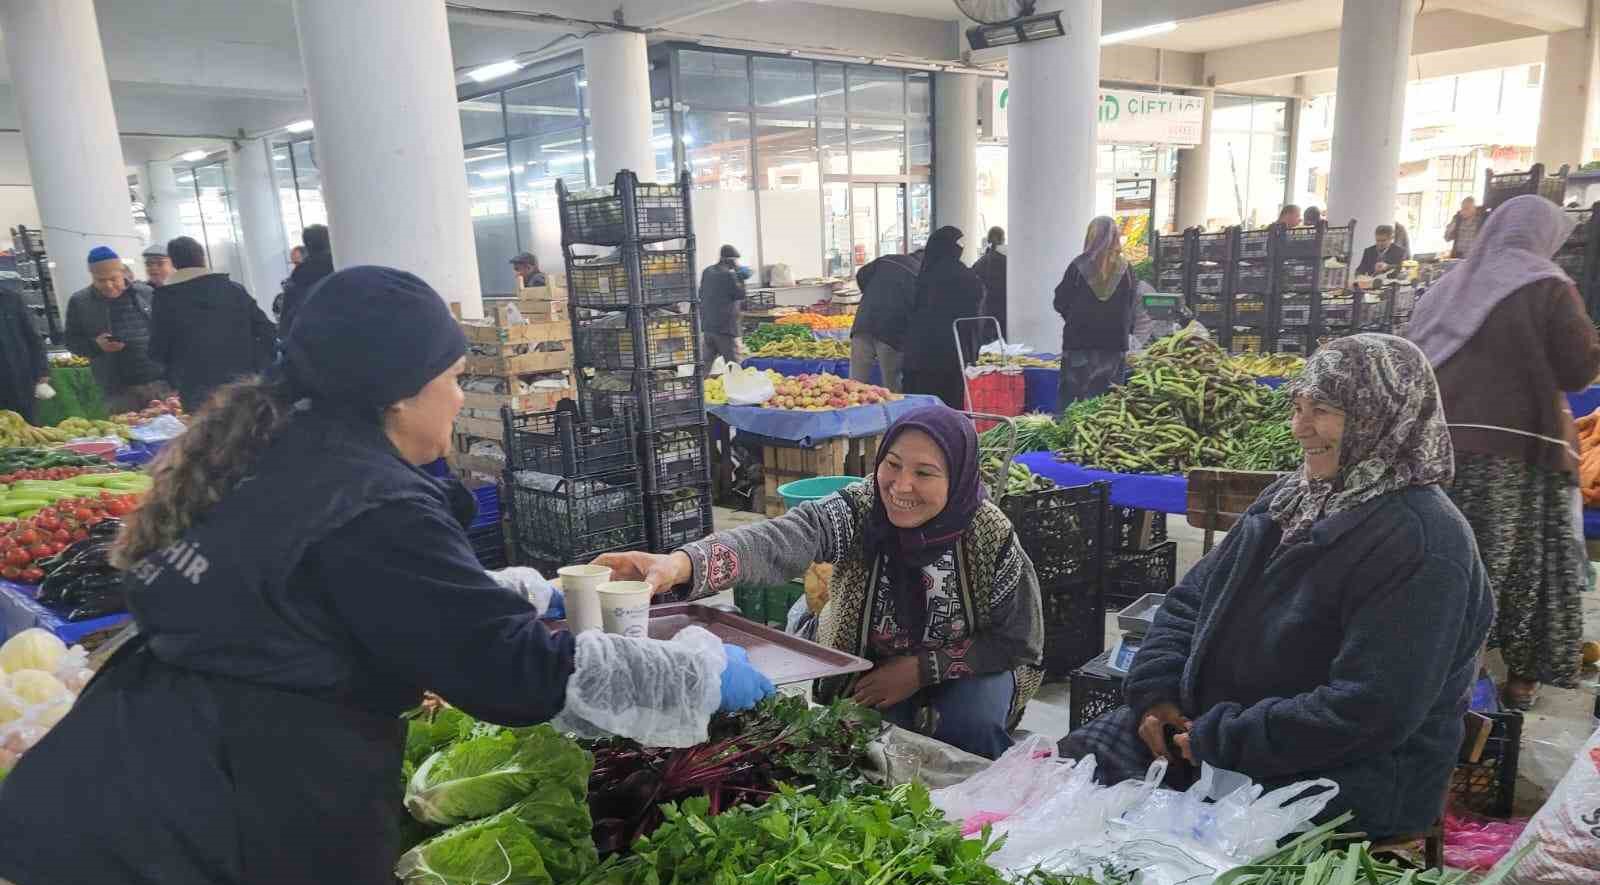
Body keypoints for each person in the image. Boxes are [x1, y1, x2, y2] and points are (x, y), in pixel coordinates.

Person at [0, 265, 773, 885]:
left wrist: (502, 597)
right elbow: (516, 676)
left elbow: (338, 598)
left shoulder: (287, 445)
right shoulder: (373, 503)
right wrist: (693, 673)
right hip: (258, 804)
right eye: (453, 377)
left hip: (179, 763)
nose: (461, 394)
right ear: (398, 390)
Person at [1062, 334, 1493, 841]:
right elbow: (1190, 603)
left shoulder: (1422, 543)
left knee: (1156, 865)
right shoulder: (1293, 497)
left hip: (1343, 777)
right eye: (1298, 406)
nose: (1299, 428)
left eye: (1325, 411)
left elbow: (1368, 709)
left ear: (1384, 416)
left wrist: (1220, 738)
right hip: (1215, 739)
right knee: (1068, 770)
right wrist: (1155, 697)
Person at [598, 404, 1044, 759]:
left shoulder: (991, 537)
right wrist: (682, 564)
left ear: (959, 478)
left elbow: (1018, 641)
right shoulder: (860, 507)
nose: (900, 485)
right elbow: (780, 540)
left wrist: (920, 670)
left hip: (968, 665)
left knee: (971, 726)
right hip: (870, 661)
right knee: (870, 739)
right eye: (892, 464)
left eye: (925, 473)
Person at [1409, 194, 1600, 711]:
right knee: (1528, 565)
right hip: (1520, 455)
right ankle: (1518, 683)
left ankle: (1438, 677)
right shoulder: (1547, 285)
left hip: (1436, 448)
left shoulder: (1446, 287)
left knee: (1447, 562)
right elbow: (1579, 370)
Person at [148, 235, 277, 410]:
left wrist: (174, 377)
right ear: (202, 258)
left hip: (195, 388)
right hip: (242, 382)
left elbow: (158, 349)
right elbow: (267, 330)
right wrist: (258, 365)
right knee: (247, 429)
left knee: (207, 435)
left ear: (174, 263)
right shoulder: (233, 290)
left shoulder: (165, 300)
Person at [63, 246, 169, 413]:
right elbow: (71, 342)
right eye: (101, 280)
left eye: (114, 278)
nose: (109, 285)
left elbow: (167, 333)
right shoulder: (80, 302)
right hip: (118, 390)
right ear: (92, 277)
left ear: (123, 273)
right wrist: (96, 345)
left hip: (159, 383)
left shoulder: (146, 293)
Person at [1054, 216, 1136, 408]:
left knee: (1074, 401)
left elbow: (1060, 301)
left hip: (1078, 344)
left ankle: (1072, 435)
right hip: (1113, 346)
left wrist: (1076, 318)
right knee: (1108, 403)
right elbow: (1131, 306)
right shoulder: (1126, 269)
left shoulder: (1078, 266)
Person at [900, 226, 984, 409]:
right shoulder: (962, 275)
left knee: (921, 403)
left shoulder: (925, 274)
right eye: (958, 244)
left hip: (920, 353)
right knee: (947, 402)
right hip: (949, 351)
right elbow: (974, 306)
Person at [849, 248, 922, 392]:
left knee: (855, 384)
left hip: (863, 323)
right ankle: (894, 413)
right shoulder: (920, 273)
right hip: (891, 331)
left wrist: (872, 294)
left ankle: (852, 412)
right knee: (891, 383)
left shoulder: (887, 260)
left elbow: (861, 274)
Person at [0, 287, 49, 421]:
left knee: (28, 427)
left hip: (20, 379)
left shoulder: (12, 299)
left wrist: (42, 370)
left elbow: (33, 336)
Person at [277, 222, 333, 338]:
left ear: (307, 246)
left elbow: (286, 322)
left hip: (311, 338)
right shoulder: (338, 264)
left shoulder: (298, 276)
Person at [698, 244, 746, 366]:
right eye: (735, 260)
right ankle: (736, 385)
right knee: (733, 366)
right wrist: (741, 278)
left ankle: (697, 385)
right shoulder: (728, 275)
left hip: (708, 327)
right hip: (725, 329)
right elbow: (740, 294)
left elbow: (701, 293)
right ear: (729, 260)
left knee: (705, 364)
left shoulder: (707, 272)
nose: (736, 263)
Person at [973, 226, 1008, 340]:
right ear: (1003, 240)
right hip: (1004, 307)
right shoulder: (1007, 261)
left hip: (986, 308)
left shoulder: (980, 262)